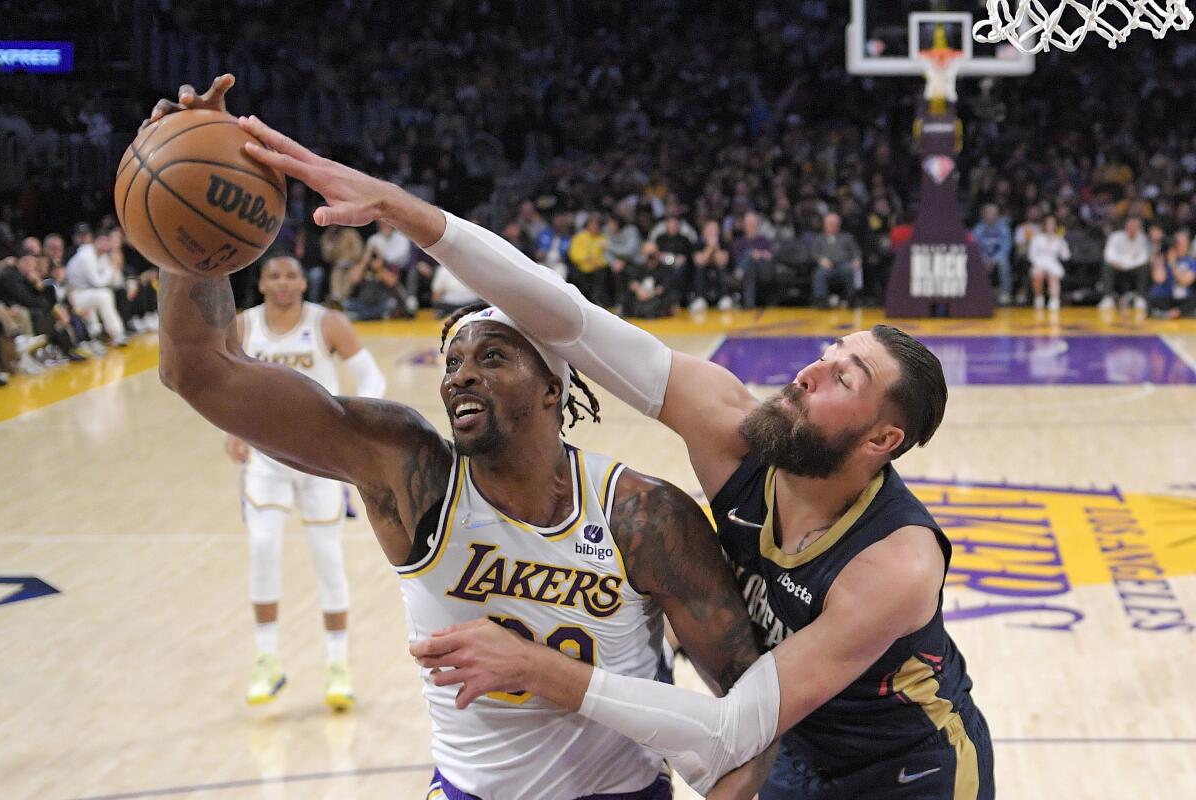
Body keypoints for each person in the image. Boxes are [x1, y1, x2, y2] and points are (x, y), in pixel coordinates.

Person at [226, 100, 992, 799]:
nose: (810, 368)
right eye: (828, 351)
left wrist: (536, 668)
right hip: (791, 749)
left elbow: (731, 729)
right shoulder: (732, 429)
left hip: (908, 769)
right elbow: (569, 319)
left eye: (842, 376)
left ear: (882, 438)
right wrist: (400, 210)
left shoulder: (895, 563)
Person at [147, 75, 766, 800]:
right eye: (453, 362)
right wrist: (183, 238)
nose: (460, 376)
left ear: (553, 387)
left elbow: (750, 716)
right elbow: (199, 371)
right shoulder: (412, 476)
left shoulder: (643, 516)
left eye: (492, 357)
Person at [224, 254, 387, 709]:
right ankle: (266, 661)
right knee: (261, 551)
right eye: (274, 275)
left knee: (329, 560)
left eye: (292, 274)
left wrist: (353, 421)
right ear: (260, 283)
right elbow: (225, 387)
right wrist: (231, 428)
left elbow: (371, 375)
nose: (283, 282)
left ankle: (338, 667)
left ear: (303, 281)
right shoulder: (243, 327)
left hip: (319, 460)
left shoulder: (327, 322)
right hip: (266, 458)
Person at [807, 212, 862, 309]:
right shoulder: (819, 238)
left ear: (839, 225)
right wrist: (821, 260)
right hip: (827, 266)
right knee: (819, 274)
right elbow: (814, 253)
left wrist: (856, 260)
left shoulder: (847, 237)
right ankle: (821, 300)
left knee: (848, 270)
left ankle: (851, 298)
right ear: (824, 225)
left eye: (834, 224)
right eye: (829, 224)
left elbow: (856, 252)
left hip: (844, 264)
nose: (832, 226)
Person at [1100, 217, 1150, 311]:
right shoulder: (1115, 237)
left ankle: (1140, 298)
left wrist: (1125, 263)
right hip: (1117, 268)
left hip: (1133, 269)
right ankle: (1107, 298)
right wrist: (1121, 263)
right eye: (1130, 226)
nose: (1132, 229)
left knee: (1144, 267)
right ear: (1125, 227)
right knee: (1107, 266)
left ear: (1139, 228)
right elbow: (1108, 254)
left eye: (1135, 227)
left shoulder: (1142, 238)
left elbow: (1143, 258)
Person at [1028, 214, 1071, 311]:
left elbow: (1066, 256)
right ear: (1044, 225)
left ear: (1056, 225)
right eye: (1048, 223)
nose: (1050, 226)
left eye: (1052, 224)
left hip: (1053, 264)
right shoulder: (1037, 238)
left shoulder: (1059, 239)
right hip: (1039, 263)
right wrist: (1042, 266)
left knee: (1053, 275)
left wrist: (1061, 244)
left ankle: (1054, 300)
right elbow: (1031, 255)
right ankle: (1039, 299)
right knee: (1038, 274)